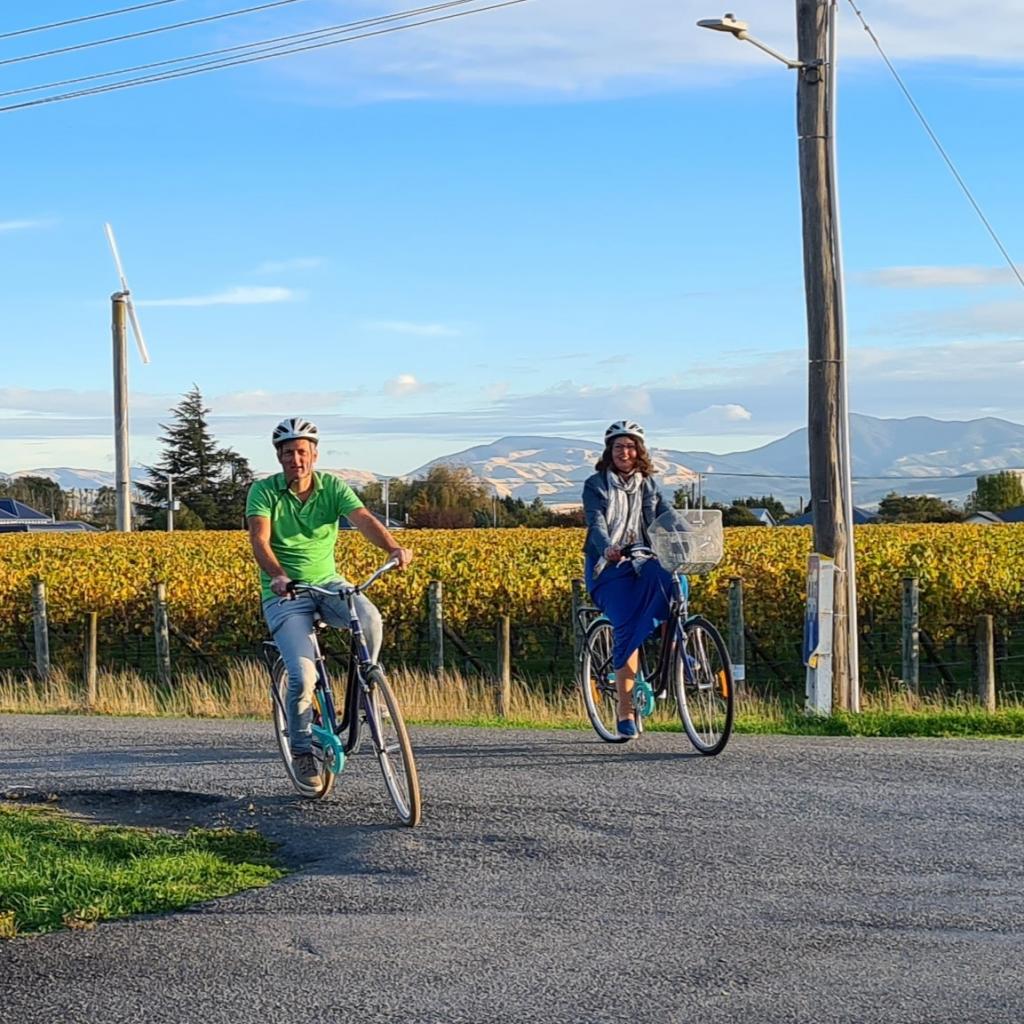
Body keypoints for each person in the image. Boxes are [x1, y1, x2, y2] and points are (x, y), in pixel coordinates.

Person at [246, 417, 412, 788]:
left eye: (302, 452)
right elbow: (260, 539)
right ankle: (303, 751)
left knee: (370, 619)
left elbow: (364, 519)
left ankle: (368, 686)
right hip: (286, 593)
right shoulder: (264, 492)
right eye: (288, 453)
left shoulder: (333, 487)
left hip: (328, 583)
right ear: (279, 457)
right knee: (302, 676)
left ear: (314, 455)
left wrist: (393, 547)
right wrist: (277, 575)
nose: (296, 459)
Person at [581, 420, 674, 739]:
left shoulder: (648, 484)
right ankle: (625, 711)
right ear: (609, 452)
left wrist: (691, 536)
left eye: (631, 446)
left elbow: (666, 515)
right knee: (627, 626)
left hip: (641, 559)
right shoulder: (596, 485)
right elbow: (595, 524)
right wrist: (607, 548)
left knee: (673, 581)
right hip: (609, 570)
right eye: (619, 446)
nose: (625, 452)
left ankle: (675, 642)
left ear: (640, 451)